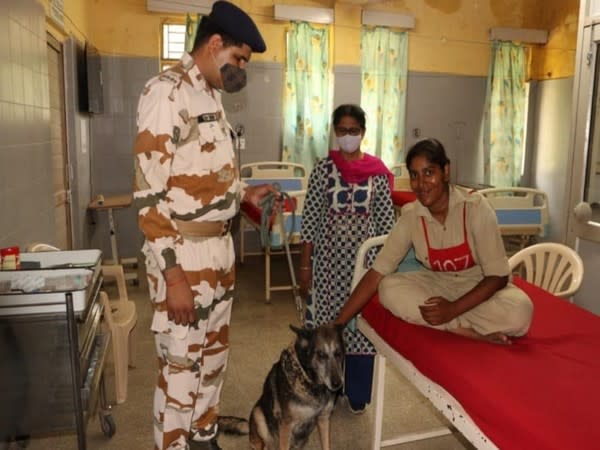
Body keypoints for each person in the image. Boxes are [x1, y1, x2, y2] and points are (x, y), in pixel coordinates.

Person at [132, 2, 275, 449]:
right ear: (215, 45)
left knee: (211, 359)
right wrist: (172, 275)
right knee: (180, 368)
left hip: (219, 252)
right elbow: (149, 195)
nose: (241, 71)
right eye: (239, 60)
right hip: (184, 257)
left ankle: (203, 434)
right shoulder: (166, 94)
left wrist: (243, 192)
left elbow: (202, 174)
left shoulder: (210, 94)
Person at [335, 138, 534, 344]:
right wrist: (338, 325)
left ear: (445, 171)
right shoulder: (411, 216)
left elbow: (498, 277)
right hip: (437, 285)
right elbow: (377, 273)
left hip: (479, 287)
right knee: (388, 288)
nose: (421, 184)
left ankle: (452, 323)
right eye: (414, 175)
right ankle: (466, 331)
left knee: (521, 311)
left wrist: (452, 309)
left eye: (429, 173)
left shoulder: (476, 208)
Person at [298, 104, 396, 413]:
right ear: (334, 132)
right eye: (342, 130)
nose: (348, 136)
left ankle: (356, 391)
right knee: (325, 330)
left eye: (354, 130)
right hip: (326, 267)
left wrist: (383, 272)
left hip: (362, 268)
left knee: (361, 331)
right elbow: (310, 220)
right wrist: (305, 266)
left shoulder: (377, 174)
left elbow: (385, 226)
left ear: (363, 133)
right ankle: (322, 389)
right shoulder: (323, 170)